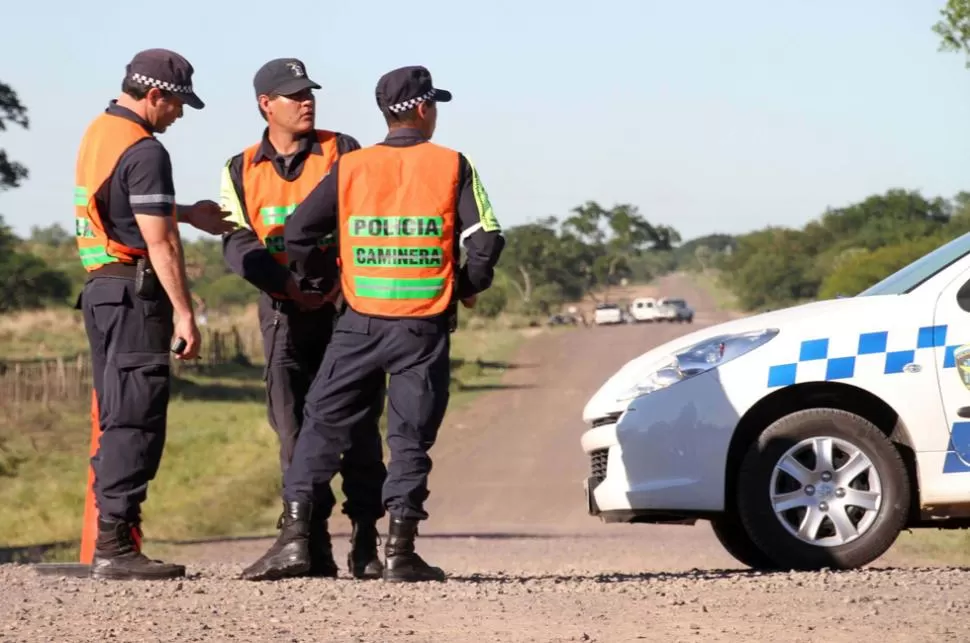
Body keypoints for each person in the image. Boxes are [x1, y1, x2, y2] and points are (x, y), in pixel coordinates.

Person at [241, 65, 505, 583]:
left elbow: (297, 233)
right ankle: (400, 552)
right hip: (422, 327)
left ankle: (296, 539)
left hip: (358, 323)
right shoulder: (453, 164)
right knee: (408, 438)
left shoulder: (352, 166)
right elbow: (487, 239)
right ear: (424, 109)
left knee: (319, 425)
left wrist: (326, 279)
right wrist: (466, 286)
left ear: (387, 113)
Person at [219, 58, 387, 579]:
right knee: (292, 429)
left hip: (346, 305)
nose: (306, 101)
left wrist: (340, 283)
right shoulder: (239, 167)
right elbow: (236, 239)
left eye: (309, 92)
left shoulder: (345, 149)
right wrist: (284, 285)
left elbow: (370, 218)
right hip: (283, 311)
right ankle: (309, 545)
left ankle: (365, 539)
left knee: (357, 424)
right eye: (293, 95)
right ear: (265, 104)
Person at [74, 48, 234, 580]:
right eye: (177, 105)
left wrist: (186, 212)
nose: (179, 116)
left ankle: (108, 540)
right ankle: (117, 546)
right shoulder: (145, 150)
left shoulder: (99, 133)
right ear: (155, 96)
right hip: (133, 297)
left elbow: (121, 210)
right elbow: (159, 243)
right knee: (135, 419)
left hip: (100, 291)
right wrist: (186, 313)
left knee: (118, 414)